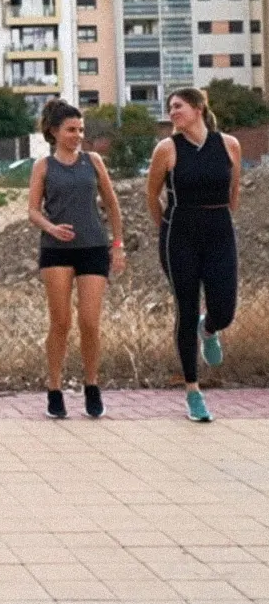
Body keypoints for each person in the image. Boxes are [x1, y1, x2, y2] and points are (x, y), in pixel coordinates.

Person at [27, 100, 125, 421]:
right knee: (61, 322)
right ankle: (54, 389)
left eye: (81, 129)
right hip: (56, 251)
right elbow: (32, 211)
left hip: (93, 248)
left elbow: (112, 205)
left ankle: (92, 385)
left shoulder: (93, 161)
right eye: (71, 130)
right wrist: (51, 227)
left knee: (90, 322)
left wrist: (118, 245)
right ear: (54, 132)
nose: (77, 135)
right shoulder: (43, 166)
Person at [147, 87, 241, 424]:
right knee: (185, 310)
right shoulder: (167, 149)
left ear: (199, 108)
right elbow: (151, 193)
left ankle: (211, 329)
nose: (173, 112)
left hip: (219, 232)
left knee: (225, 309)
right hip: (179, 236)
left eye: (178, 106)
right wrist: (166, 228)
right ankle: (193, 391)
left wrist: (221, 223)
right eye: (170, 108)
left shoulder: (229, 145)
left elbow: (234, 191)